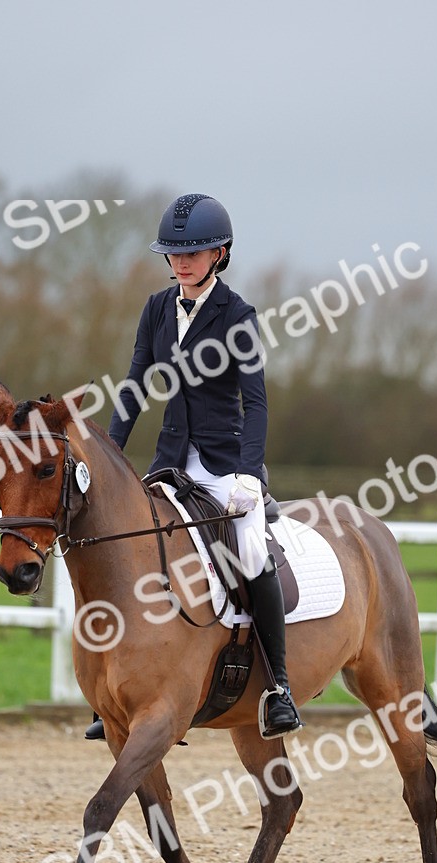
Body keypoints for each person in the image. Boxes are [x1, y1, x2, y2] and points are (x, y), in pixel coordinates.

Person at [85, 193, 301, 741]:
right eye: (174, 253)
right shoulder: (157, 309)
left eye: (194, 252)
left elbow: (257, 403)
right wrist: (108, 456)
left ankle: (278, 687)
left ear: (219, 254)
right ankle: (114, 689)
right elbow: (134, 387)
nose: (181, 262)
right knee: (128, 546)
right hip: (171, 460)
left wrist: (250, 474)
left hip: (226, 465)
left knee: (250, 548)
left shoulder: (238, 317)